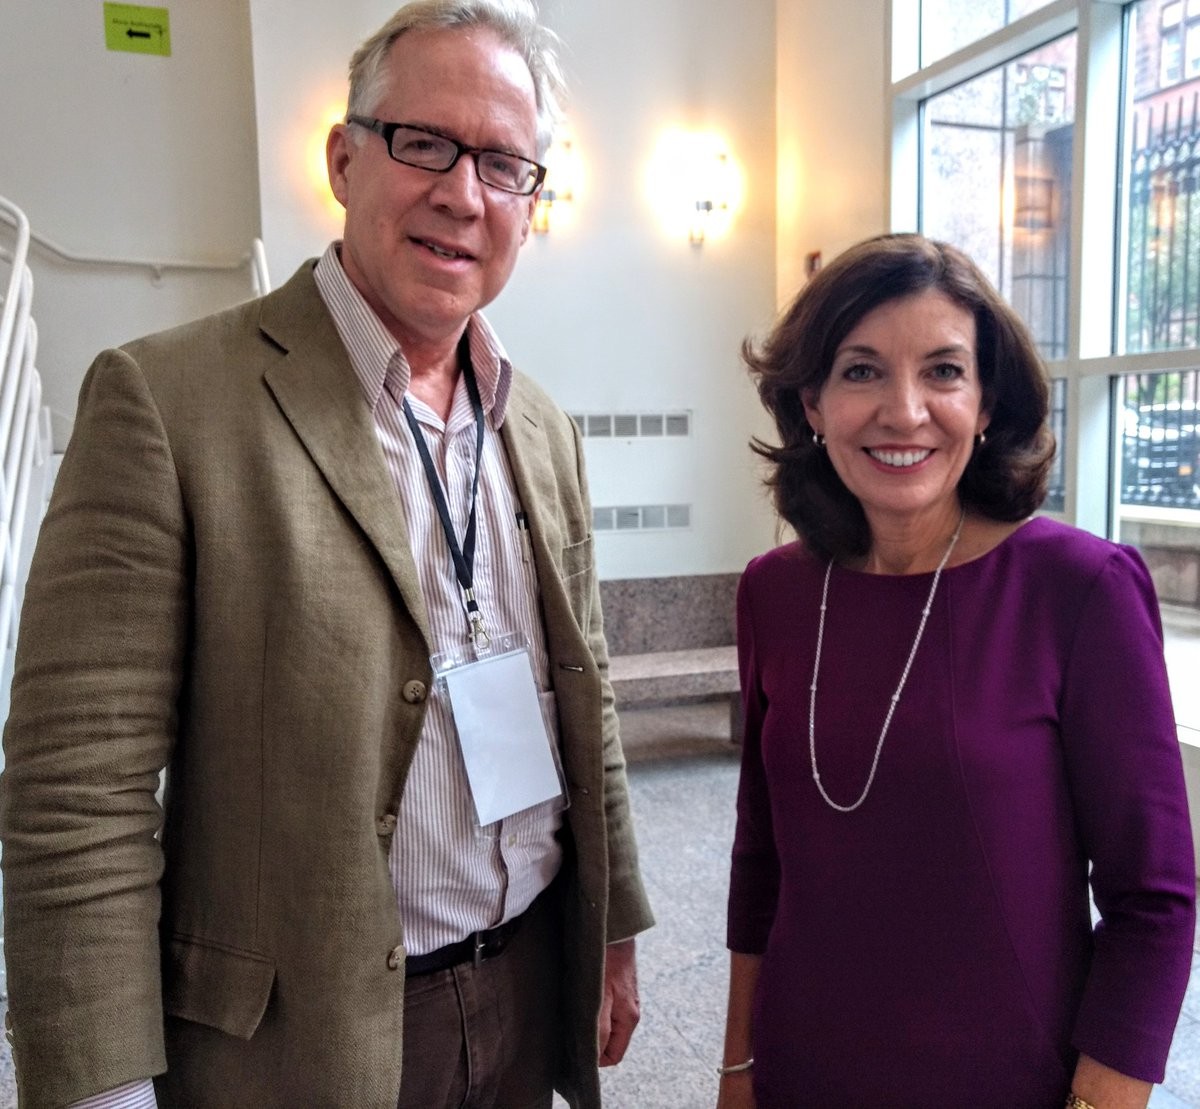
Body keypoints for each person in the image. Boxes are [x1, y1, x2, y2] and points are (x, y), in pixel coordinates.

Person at [0, 2, 653, 1106]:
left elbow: (582, 699)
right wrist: (100, 1086)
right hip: (300, 1038)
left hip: (529, 984)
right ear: (344, 157)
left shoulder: (537, 423)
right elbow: (79, 794)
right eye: (424, 143)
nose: (462, 191)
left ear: (532, 204)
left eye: (504, 163)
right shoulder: (167, 403)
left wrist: (617, 917)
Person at [717, 233, 1196, 1109]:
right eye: (861, 371)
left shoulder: (1078, 589)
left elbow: (1154, 897)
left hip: (1009, 1077)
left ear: (984, 404)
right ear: (812, 403)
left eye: (943, 371)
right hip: (806, 1067)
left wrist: (1103, 1101)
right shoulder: (775, 594)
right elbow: (762, 860)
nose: (904, 412)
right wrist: (739, 1067)